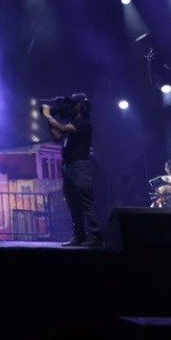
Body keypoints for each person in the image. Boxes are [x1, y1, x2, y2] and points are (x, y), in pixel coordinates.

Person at [42, 92, 101, 247]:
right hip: (68, 166)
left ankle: (96, 236)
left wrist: (48, 116)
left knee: (87, 202)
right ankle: (79, 236)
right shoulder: (72, 122)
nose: (71, 106)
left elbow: (61, 127)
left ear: (80, 105)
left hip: (80, 165)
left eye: (74, 103)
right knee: (72, 202)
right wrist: (49, 120)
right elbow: (57, 136)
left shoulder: (84, 123)